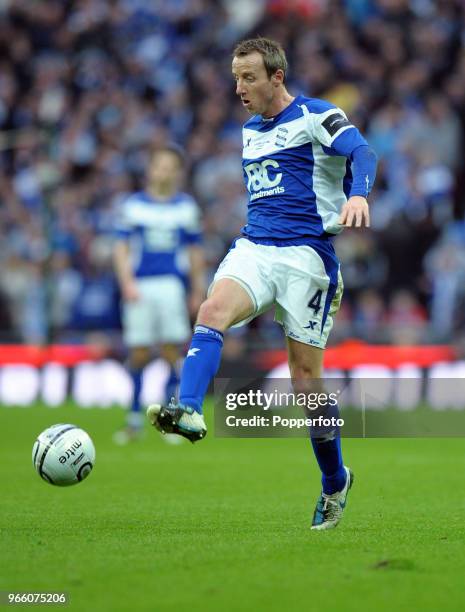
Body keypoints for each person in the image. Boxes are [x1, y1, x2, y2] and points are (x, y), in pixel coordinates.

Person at [147, 38, 377, 530]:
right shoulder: (250, 131)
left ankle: (335, 481)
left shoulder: (318, 114)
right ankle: (188, 409)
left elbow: (363, 153)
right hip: (255, 248)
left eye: (249, 78)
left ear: (277, 76)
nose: (239, 88)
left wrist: (357, 195)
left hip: (308, 257)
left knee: (305, 382)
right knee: (210, 312)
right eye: (235, 78)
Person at [113, 145, 205, 444]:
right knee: (138, 352)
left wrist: (196, 289)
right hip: (141, 284)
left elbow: (194, 252)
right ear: (150, 170)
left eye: (170, 167)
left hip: (171, 285)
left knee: (171, 352)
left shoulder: (186, 207)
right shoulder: (134, 205)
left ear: (177, 172)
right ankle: (133, 418)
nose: (164, 171)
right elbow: (121, 248)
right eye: (159, 166)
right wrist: (126, 281)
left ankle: (170, 420)